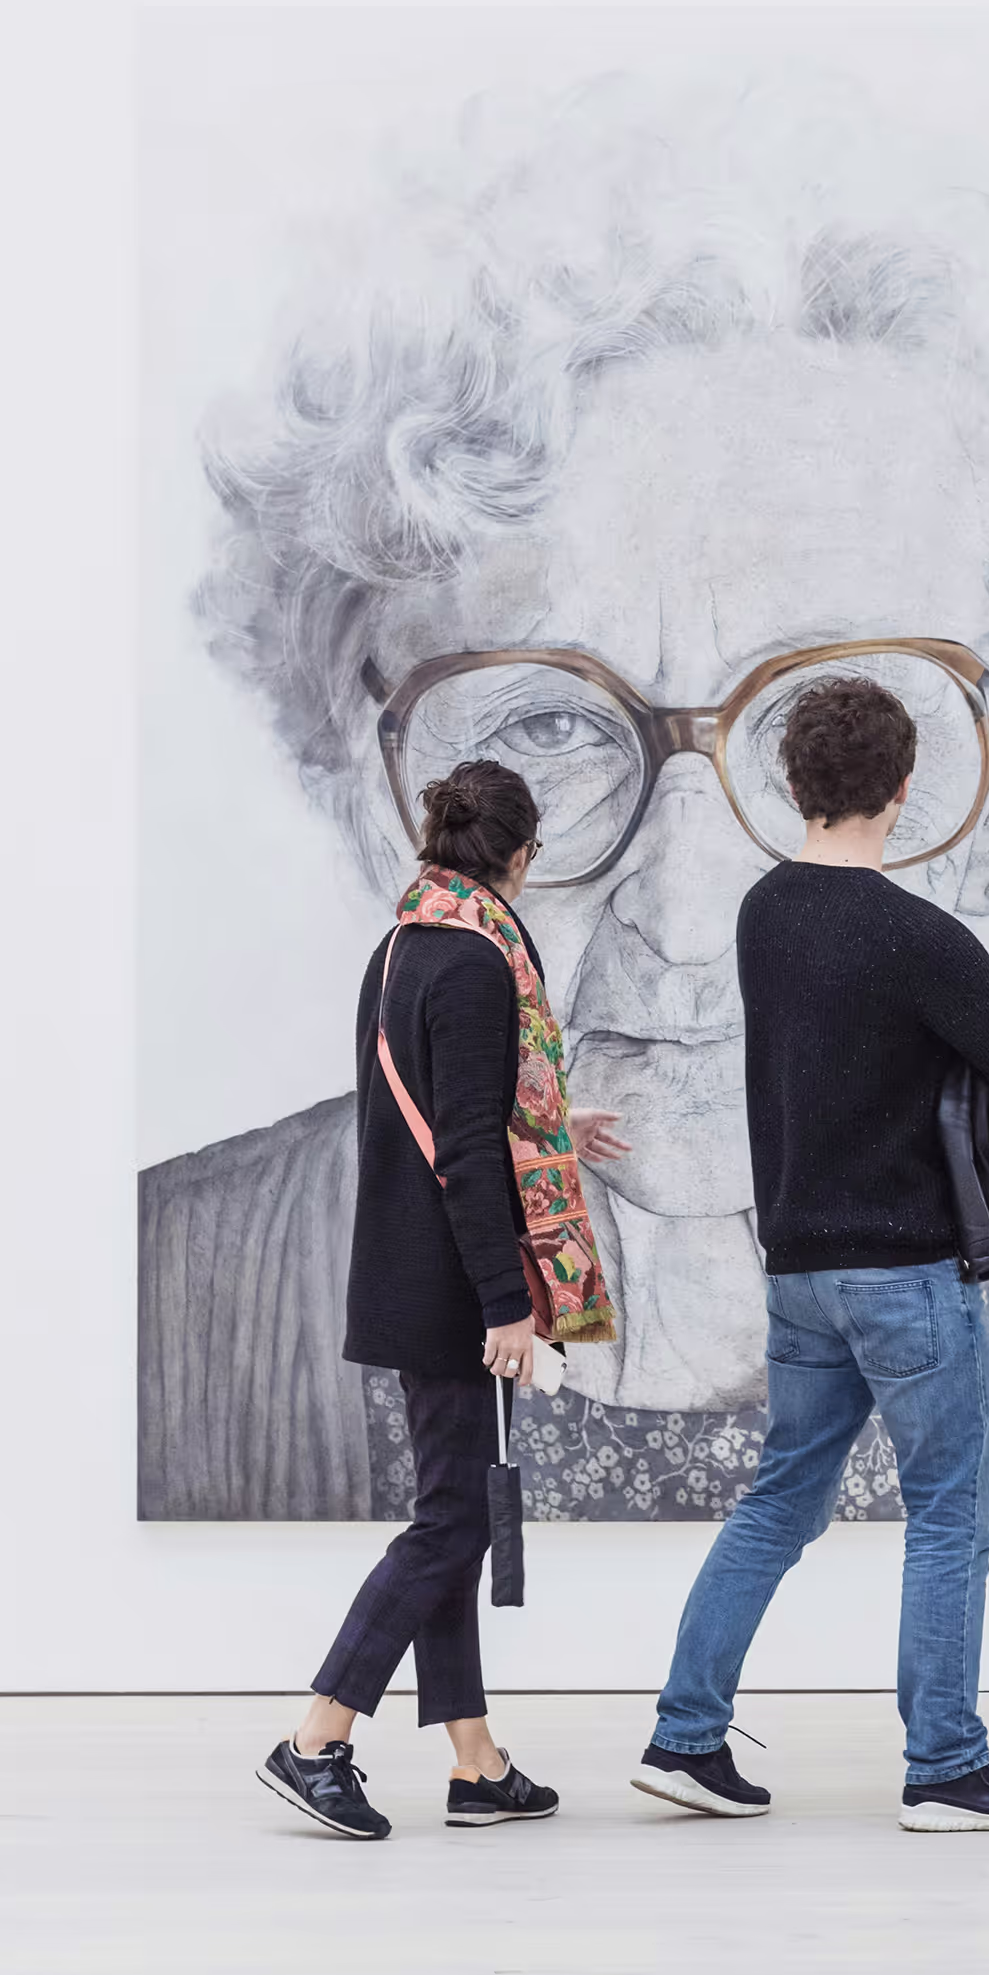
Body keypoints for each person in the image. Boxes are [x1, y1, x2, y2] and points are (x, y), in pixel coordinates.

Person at [140, 75, 989, 1524]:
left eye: (822, 718)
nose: (687, 911)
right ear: (381, 776)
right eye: (547, 720)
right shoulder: (165, 1291)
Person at [634, 676, 989, 1832]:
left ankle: (684, 1736)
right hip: (905, 1276)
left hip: (798, 1272)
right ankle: (944, 1765)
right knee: (948, 1515)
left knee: (778, 1498)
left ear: (792, 784)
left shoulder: (761, 915)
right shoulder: (920, 938)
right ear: (899, 789)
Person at [258, 758, 627, 1840]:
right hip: (452, 1286)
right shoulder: (475, 960)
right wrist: (507, 1303)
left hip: (412, 1267)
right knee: (450, 1519)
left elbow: (451, 1107)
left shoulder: (405, 942)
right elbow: (460, 1145)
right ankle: (316, 1735)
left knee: (452, 1514)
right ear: (520, 854)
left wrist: (555, 1126)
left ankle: (475, 1762)